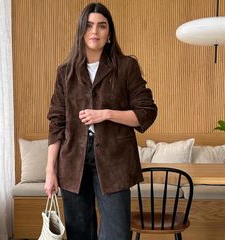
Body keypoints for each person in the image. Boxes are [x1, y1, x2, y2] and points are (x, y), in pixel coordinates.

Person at [44, 2, 157, 240]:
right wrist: (50, 170)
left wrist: (106, 114)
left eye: (102, 26)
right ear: (81, 31)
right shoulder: (66, 72)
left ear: (109, 34)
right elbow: (57, 122)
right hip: (73, 161)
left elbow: (147, 111)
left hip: (114, 160)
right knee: (79, 233)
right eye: (89, 25)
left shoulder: (126, 67)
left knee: (116, 233)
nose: (95, 31)